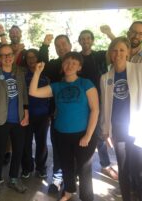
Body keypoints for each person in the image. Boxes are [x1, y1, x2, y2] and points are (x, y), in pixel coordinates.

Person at [100, 37, 142, 201]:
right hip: (118, 131)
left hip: (140, 129)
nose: (118, 54)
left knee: (141, 173)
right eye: (115, 50)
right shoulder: (105, 78)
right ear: (110, 54)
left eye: (122, 50)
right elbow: (105, 106)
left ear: (128, 53)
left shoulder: (140, 69)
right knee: (124, 172)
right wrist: (105, 131)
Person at [30, 52, 99, 201]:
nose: (70, 66)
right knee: (66, 166)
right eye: (67, 62)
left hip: (83, 134)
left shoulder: (86, 84)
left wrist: (88, 135)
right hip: (61, 133)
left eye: (74, 63)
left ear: (79, 67)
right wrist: (37, 72)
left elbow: (95, 110)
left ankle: (87, 198)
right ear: (62, 65)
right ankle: (69, 190)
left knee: (84, 169)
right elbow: (33, 92)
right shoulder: (56, 86)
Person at [0, 44, 29, 199]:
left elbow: (23, 93)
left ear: (13, 55)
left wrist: (26, 113)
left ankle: (13, 178)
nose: (7, 57)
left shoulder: (19, 72)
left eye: (9, 54)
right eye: (3, 55)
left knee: (18, 151)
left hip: (18, 119)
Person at [78, 29, 118, 180]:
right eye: (82, 39)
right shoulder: (77, 57)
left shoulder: (100, 56)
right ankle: (78, 164)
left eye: (88, 38)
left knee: (99, 133)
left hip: (99, 100)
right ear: (79, 41)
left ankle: (105, 164)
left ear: (92, 40)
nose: (85, 41)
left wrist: (109, 33)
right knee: (80, 132)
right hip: (80, 102)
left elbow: (117, 49)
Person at [39, 34, 71, 193]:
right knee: (57, 148)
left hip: (77, 117)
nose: (61, 48)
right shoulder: (54, 65)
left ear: (70, 45)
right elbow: (41, 63)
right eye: (57, 46)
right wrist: (45, 44)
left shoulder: (79, 62)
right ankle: (58, 179)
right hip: (57, 115)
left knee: (73, 150)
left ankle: (71, 178)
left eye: (63, 44)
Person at [21, 49, 50, 179]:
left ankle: (41, 167)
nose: (31, 60)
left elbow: (51, 95)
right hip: (27, 116)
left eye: (34, 57)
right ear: (25, 60)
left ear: (38, 59)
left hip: (43, 116)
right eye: (28, 58)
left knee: (42, 143)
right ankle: (27, 168)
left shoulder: (45, 76)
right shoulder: (23, 76)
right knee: (26, 143)